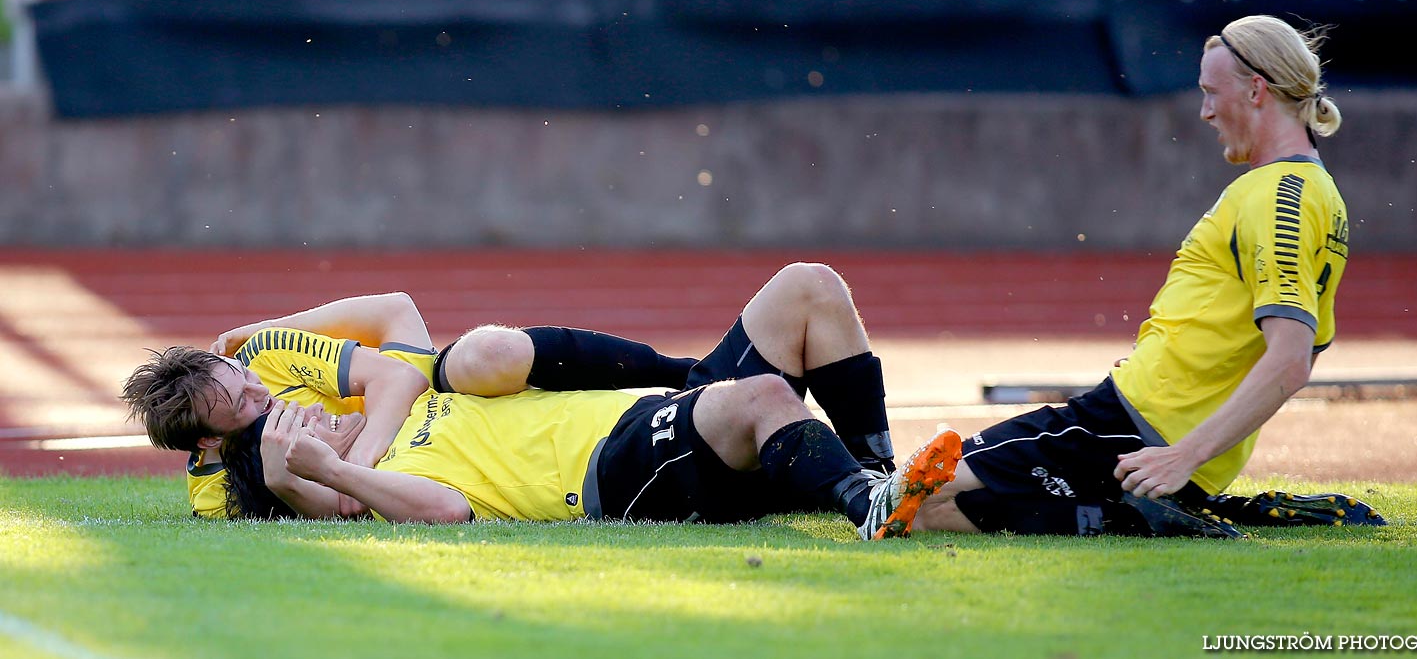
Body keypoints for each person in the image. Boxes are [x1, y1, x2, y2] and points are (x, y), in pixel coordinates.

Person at [911, 14, 1378, 538]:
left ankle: (1161, 518)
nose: (1204, 111)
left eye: (1209, 92)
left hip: (1140, 424)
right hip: (1154, 429)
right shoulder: (1313, 193)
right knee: (946, 510)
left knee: (920, 497)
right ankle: (1161, 512)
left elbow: (1291, 360)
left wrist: (1183, 455)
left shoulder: (1279, 195)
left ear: (1255, 90)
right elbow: (1285, 341)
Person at [221, 263, 962, 539]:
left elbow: (397, 322)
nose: (312, 411)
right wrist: (321, 477)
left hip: (645, 410)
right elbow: (448, 514)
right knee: (766, 396)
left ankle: (874, 476)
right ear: (304, 465)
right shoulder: (384, 489)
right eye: (295, 421)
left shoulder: (395, 413)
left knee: (811, 287)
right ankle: (866, 506)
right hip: (614, 470)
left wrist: (260, 336)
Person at [121, 291, 699, 518]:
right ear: (208, 440)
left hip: (416, 401)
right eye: (242, 402)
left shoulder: (264, 359)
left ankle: (682, 375)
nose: (260, 389)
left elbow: (398, 369)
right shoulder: (212, 498)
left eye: (243, 374)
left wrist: (354, 465)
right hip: (409, 449)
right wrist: (338, 476)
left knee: (488, 353)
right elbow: (313, 505)